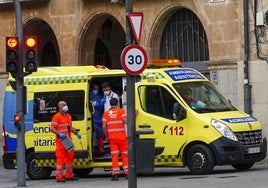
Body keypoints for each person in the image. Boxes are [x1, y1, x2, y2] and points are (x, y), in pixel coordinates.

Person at [50, 101, 81, 183]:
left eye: (66, 105)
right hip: (61, 140)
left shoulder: (68, 116)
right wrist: (59, 133)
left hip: (67, 139)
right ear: (59, 107)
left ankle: (69, 175)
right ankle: (59, 177)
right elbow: (52, 128)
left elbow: (70, 128)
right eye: (63, 105)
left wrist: (76, 133)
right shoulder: (56, 117)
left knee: (69, 158)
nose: (65, 106)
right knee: (60, 159)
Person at [102, 98, 128, 181]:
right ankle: (127, 173)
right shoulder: (121, 111)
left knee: (114, 157)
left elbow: (103, 126)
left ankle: (115, 175)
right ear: (117, 103)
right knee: (125, 155)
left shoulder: (106, 114)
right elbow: (126, 121)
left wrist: (106, 136)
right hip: (122, 138)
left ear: (110, 104)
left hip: (112, 139)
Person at [90, 83, 106, 156]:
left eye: (97, 89)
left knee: (100, 135)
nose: (96, 90)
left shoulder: (99, 96)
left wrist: (100, 103)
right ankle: (97, 150)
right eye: (95, 89)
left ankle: (101, 150)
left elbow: (100, 106)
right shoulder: (90, 96)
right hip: (93, 117)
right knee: (95, 135)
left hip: (99, 117)